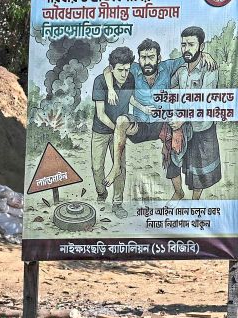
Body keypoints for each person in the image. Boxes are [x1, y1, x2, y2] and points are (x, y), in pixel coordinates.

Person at [103, 38, 213, 216]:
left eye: (151, 57)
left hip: (163, 123)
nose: (147, 61)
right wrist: (110, 88)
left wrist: (203, 54)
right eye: (143, 57)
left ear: (158, 58)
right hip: (141, 125)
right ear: (138, 59)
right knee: (122, 122)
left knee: (176, 145)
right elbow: (109, 69)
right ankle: (116, 168)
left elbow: (190, 57)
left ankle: (178, 192)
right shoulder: (134, 68)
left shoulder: (168, 67)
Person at [166, 26, 222, 200]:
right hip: (182, 128)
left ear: (201, 46)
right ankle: (178, 193)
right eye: (183, 45)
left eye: (191, 44)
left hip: (202, 127)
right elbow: (168, 85)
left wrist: (182, 119)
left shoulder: (210, 69)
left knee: (199, 170)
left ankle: (194, 202)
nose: (186, 49)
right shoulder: (181, 70)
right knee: (173, 161)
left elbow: (205, 100)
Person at [90, 47, 135, 208]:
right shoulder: (99, 81)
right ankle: (102, 192)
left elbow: (131, 100)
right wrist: (117, 129)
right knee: (96, 167)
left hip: (119, 132)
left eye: (127, 69)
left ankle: (117, 203)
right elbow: (101, 114)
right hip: (101, 131)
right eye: (120, 70)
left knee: (120, 167)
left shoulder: (131, 78)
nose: (124, 74)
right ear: (112, 69)